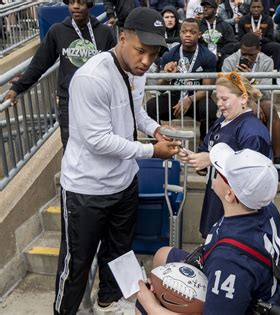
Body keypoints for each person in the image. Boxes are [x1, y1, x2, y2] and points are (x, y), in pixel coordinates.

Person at [54, 8, 180, 315]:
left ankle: (107, 301)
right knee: (77, 264)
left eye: (153, 55)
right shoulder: (91, 77)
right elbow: (98, 141)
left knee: (120, 251)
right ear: (122, 37)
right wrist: (152, 150)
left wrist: (155, 129)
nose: (146, 62)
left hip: (123, 182)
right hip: (87, 189)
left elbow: (136, 112)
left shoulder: (139, 71)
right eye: (140, 51)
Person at [135, 143, 280, 315]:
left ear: (229, 194)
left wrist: (151, 306)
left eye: (219, 171)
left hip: (240, 295)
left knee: (142, 306)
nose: (214, 169)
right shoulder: (264, 207)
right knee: (163, 255)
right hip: (239, 272)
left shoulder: (229, 260)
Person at [2, 0, 115, 149]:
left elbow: (115, 66)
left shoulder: (104, 33)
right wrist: (17, 88)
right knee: (71, 148)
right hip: (69, 101)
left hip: (97, 101)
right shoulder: (58, 31)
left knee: (100, 146)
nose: (75, 6)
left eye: (80, 2)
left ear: (89, 4)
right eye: (71, 2)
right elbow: (39, 64)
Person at [182, 71, 272, 237]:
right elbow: (207, 148)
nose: (219, 104)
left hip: (237, 211)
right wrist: (192, 156)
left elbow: (251, 178)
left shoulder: (253, 131)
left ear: (243, 98)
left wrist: (210, 159)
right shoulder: (222, 121)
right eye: (217, 98)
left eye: (224, 99)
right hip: (217, 198)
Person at [222, 33, 280, 182]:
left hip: (260, 98)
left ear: (258, 50)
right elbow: (227, 89)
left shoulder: (266, 61)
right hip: (235, 99)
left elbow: (265, 90)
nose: (247, 57)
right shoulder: (230, 61)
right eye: (244, 53)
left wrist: (249, 79)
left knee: (271, 108)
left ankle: (278, 160)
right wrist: (250, 102)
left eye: (251, 54)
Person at [146, 18, 218, 142]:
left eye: (192, 32)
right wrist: (167, 76)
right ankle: (158, 145)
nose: (188, 34)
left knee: (209, 108)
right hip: (175, 98)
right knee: (151, 106)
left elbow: (207, 90)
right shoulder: (169, 55)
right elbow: (161, 88)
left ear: (199, 35)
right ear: (180, 33)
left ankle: (205, 147)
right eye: (184, 31)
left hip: (196, 99)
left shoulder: (208, 56)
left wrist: (189, 99)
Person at [238, 0, 280, 68]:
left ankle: (275, 71)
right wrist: (251, 36)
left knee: (276, 47)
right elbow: (240, 38)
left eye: (258, 7)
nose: (256, 9)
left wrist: (261, 38)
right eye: (254, 7)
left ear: (262, 8)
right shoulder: (243, 20)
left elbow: (270, 39)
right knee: (235, 47)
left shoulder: (268, 19)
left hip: (262, 45)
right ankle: (239, 69)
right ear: (250, 8)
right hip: (247, 48)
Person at [199, 0, 237, 70]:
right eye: (204, 7)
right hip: (202, 55)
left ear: (215, 10)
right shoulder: (198, 25)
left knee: (227, 59)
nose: (205, 9)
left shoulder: (225, 25)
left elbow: (231, 44)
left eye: (208, 7)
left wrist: (219, 54)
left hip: (220, 56)